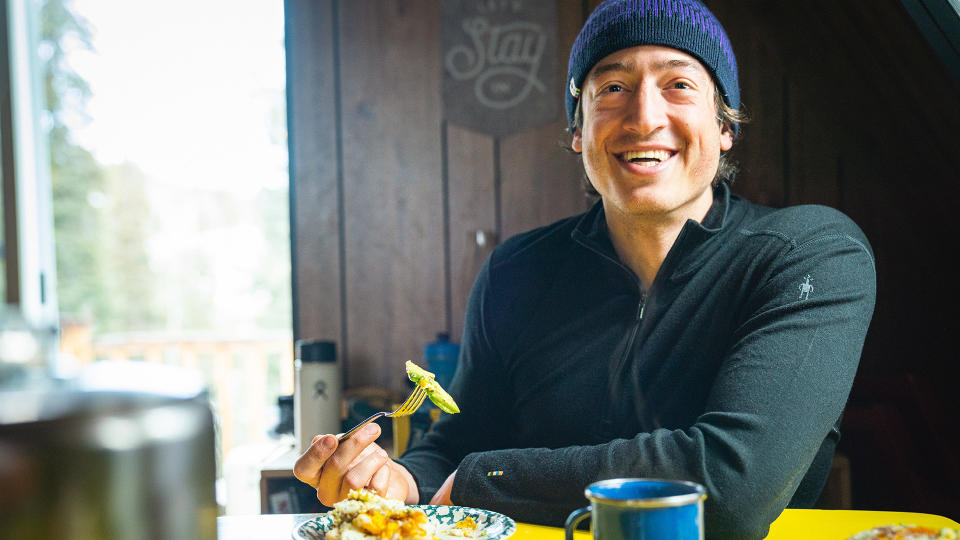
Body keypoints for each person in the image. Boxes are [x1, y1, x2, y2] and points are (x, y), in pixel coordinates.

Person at [293, 0, 877, 538]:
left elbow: (729, 488)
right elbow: (460, 441)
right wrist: (404, 482)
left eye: (678, 85)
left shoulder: (808, 254)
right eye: (613, 87)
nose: (645, 116)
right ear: (578, 132)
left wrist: (484, 481)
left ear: (724, 127)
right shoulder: (516, 272)